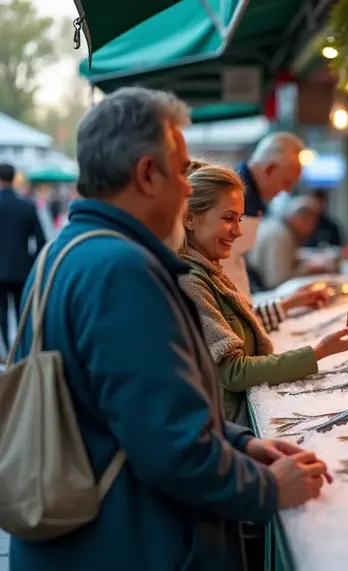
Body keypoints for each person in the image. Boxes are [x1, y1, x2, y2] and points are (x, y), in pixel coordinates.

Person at [7, 87, 331, 571]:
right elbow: (170, 449)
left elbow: (132, 408)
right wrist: (267, 488)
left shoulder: (63, 251)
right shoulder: (122, 270)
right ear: (146, 174)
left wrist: (239, 441)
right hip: (127, 546)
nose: (187, 188)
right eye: (181, 170)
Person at [177, 162, 348, 425]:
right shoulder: (191, 281)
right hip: (226, 429)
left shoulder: (209, 271)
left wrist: (286, 306)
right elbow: (233, 372)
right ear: (190, 218)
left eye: (239, 219)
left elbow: (235, 324)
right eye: (228, 218)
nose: (238, 231)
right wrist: (317, 352)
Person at [225, 132, 327, 330]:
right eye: (287, 182)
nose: (287, 191)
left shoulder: (252, 199)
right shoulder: (234, 198)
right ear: (270, 169)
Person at [0, 163, 46, 355]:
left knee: (2, 311)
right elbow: (41, 240)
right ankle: (20, 349)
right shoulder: (26, 206)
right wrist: (31, 262)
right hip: (22, 269)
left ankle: (6, 349)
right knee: (22, 310)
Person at [247, 194, 332, 290]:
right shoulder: (281, 235)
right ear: (303, 219)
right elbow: (276, 281)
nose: (313, 230)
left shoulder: (279, 227)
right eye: (313, 222)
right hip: (264, 294)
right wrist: (308, 270)